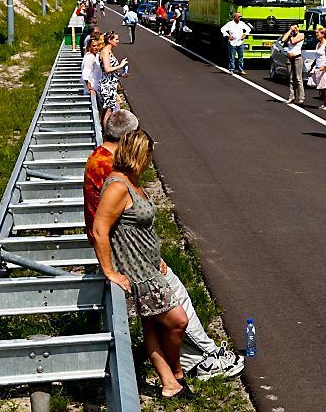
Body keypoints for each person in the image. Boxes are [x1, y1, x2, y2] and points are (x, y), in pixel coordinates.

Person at [83, 112, 243, 380]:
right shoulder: (113, 173)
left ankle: (176, 375)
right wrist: (110, 270)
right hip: (135, 263)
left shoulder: (104, 162)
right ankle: (202, 360)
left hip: (141, 258)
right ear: (129, 143)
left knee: (156, 324)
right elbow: (106, 227)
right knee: (179, 312)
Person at [91, 130, 193, 399]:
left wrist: (155, 256)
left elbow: (139, 229)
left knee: (151, 326)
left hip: (147, 265)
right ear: (138, 155)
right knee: (177, 321)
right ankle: (177, 371)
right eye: (147, 154)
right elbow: (100, 229)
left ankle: (171, 383)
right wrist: (109, 271)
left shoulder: (132, 182)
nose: (150, 160)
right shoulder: (118, 187)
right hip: (135, 271)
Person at [99, 31, 129, 126]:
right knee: (108, 110)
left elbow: (110, 70)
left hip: (111, 83)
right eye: (116, 39)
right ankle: (106, 133)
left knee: (108, 109)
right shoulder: (105, 52)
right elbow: (107, 69)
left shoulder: (109, 51)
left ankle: (104, 130)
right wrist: (121, 65)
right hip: (107, 85)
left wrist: (120, 75)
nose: (118, 41)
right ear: (109, 40)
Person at [280, 24, 306, 105]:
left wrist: (292, 34)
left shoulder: (301, 35)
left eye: (295, 27)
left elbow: (293, 42)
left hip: (297, 58)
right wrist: (290, 31)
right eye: (293, 27)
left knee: (298, 78)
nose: (294, 29)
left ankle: (301, 97)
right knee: (291, 79)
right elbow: (283, 40)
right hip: (289, 58)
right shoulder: (289, 34)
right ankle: (291, 97)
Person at [220, 11, 252, 75]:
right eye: (238, 16)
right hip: (232, 42)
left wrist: (245, 34)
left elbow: (248, 29)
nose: (240, 18)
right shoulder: (230, 24)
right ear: (235, 17)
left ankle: (241, 70)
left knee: (241, 57)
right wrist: (228, 35)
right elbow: (222, 29)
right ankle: (231, 69)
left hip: (240, 42)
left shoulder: (242, 23)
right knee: (232, 57)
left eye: (240, 16)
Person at [310, 27, 326, 109]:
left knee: (325, 87)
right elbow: (316, 57)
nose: (316, 34)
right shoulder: (318, 44)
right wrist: (312, 65)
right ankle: (325, 103)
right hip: (318, 67)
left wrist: (324, 65)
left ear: (322, 34)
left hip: (324, 68)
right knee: (320, 87)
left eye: (317, 33)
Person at [81, 36, 104, 107]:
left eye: (97, 46)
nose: (96, 47)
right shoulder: (90, 58)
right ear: (89, 47)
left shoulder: (96, 55)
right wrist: (90, 88)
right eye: (94, 46)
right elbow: (85, 74)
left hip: (97, 86)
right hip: (93, 88)